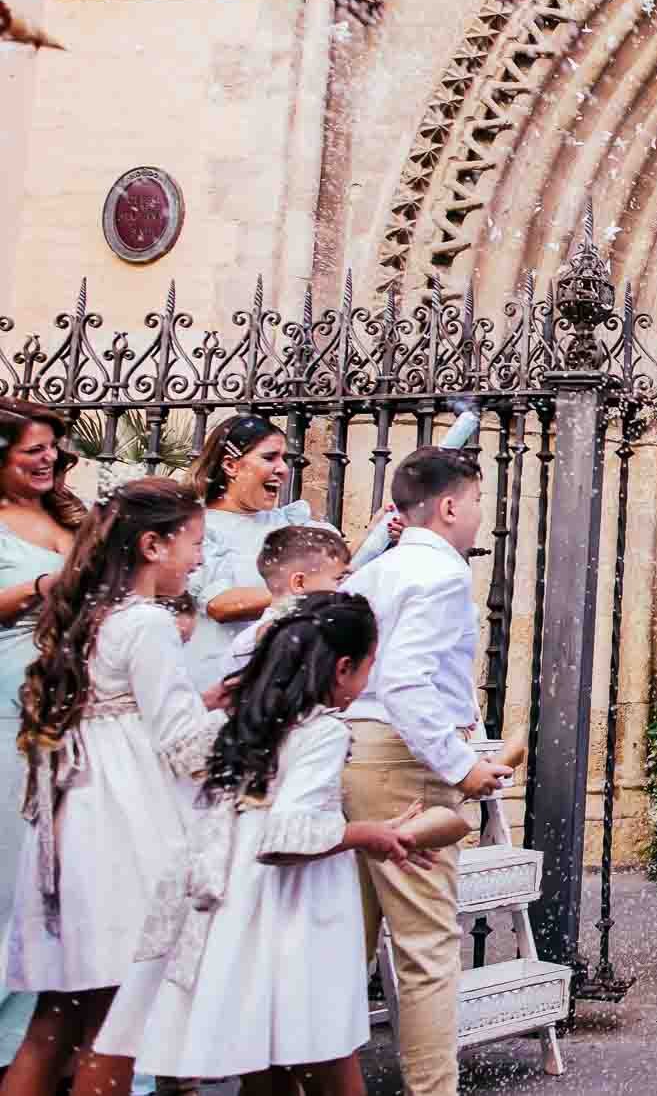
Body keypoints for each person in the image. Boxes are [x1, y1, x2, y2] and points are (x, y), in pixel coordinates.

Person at [95, 593, 427, 1092]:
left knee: (263, 1061)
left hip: (236, 906)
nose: (366, 682)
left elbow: (180, 757)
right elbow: (286, 835)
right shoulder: (322, 733)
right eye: (368, 668)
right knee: (326, 1058)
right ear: (342, 669)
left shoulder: (246, 721)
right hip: (295, 917)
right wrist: (367, 834)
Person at [1, 479, 223, 1096]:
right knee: (116, 1021)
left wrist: (199, 701)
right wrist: (248, 717)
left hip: (80, 823)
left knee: (55, 1020)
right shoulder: (146, 622)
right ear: (153, 545)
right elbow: (183, 747)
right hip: (126, 831)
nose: (200, 558)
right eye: (194, 543)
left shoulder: (89, 616)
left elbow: (117, 711)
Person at [340, 447, 509, 1096]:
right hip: (405, 765)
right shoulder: (439, 575)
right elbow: (409, 683)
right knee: (428, 955)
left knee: (345, 944)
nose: (477, 516)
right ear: (447, 506)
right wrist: (461, 765)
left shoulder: (375, 571)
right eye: (474, 502)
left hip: (355, 752)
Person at [0, 401, 88, 1062]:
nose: (47, 457)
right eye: (32, 448)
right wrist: (46, 581)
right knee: (11, 870)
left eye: (52, 447)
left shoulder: (70, 518)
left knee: (60, 882)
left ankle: (37, 1042)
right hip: (10, 710)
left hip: (78, 713)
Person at [182, 416, 339, 691]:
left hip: (281, 680)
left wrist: (378, 534)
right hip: (220, 680)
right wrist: (306, 592)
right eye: (270, 458)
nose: (283, 469)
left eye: (283, 458)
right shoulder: (201, 527)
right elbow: (220, 603)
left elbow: (336, 571)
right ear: (231, 466)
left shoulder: (289, 522)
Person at [221, 526, 352, 679]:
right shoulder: (263, 641)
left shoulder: (242, 643)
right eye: (338, 579)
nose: (345, 587)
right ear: (299, 583)